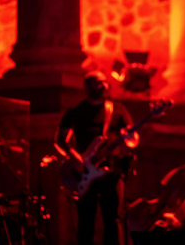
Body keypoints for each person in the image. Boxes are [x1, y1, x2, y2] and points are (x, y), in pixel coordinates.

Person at [55, 71, 139, 245]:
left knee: (113, 219)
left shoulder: (118, 109)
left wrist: (129, 136)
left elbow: (134, 140)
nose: (103, 85)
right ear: (87, 86)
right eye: (97, 82)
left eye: (104, 82)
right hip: (84, 172)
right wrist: (75, 157)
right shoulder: (76, 111)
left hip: (112, 171)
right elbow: (60, 140)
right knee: (85, 220)